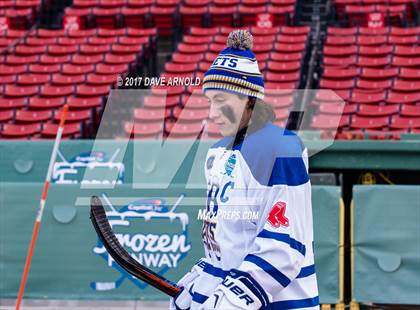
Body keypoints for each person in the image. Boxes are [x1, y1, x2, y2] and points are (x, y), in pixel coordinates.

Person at [171, 29, 319, 310]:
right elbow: (227, 248)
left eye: (222, 101)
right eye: (210, 101)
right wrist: (199, 283)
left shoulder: (281, 148)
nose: (212, 113)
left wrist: (228, 300)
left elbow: (284, 249)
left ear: (249, 100)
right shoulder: (218, 152)